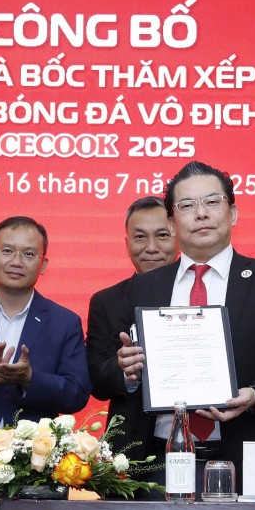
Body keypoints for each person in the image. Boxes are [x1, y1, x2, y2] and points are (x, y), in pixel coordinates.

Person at [97, 160, 255, 479]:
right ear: (172, 223)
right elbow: (104, 375)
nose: (201, 213)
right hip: (155, 463)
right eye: (187, 205)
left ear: (232, 213)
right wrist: (127, 371)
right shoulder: (144, 286)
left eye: (211, 201)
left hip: (249, 461)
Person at [0, 216, 91, 446]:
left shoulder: (65, 322)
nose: (16, 262)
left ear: (43, 264)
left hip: (40, 455)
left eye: (28, 254)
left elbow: (77, 394)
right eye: (7, 251)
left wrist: (30, 379)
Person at [86, 196, 178, 460]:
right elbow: (96, 379)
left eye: (162, 235)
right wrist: (125, 371)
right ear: (126, 244)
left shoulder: (205, 292)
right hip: (136, 451)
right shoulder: (107, 301)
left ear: (178, 236)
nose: (151, 248)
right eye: (140, 237)